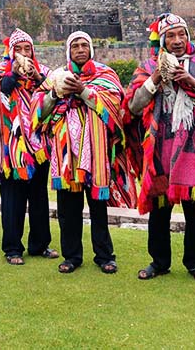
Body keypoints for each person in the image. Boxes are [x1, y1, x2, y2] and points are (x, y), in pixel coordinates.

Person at [123, 13, 195, 283]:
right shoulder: (147, 67)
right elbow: (133, 106)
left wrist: (193, 82)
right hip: (160, 145)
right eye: (171, 35)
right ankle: (159, 261)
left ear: (188, 37)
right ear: (162, 40)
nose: (177, 41)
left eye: (181, 34)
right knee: (159, 208)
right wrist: (155, 78)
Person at [31, 31, 127, 274]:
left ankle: (105, 256)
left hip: (94, 150)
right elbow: (38, 110)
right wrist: (56, 93)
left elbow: (115, 106)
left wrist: (83, 91)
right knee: (67, 208)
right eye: (75, 46)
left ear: (91, 49)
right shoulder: (56, 76)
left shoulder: (105, 75)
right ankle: (71, 256)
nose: (80, 49)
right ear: (69, 51)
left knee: (98, 207)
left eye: (84, 45)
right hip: (65, 154)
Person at [0, 29, 59, 265]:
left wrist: (36, 78)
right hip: (12, 149)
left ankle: (40, 244)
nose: (24, 53)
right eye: (19, 49)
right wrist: (11, 78)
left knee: (38, 197)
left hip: (39, 146)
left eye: (27, 49)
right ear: (11, 52)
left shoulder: (44, 73)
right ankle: (12, 248)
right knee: (13, 199)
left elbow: (54, 97)